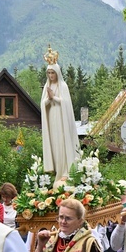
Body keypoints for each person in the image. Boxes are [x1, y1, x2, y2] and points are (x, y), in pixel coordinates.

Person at [41, 47, 80, 179]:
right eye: (49, 73)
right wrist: (48, 100)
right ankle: (57, 170)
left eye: (53, 73)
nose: (51, 75)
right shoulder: (47, 87)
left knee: (62, 143)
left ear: (57, 73)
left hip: (62, 119)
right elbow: (43, 104)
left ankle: (65, 171)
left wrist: (54, 98)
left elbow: (67, 104)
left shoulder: (63, 86)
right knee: (54, 144)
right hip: (51, 118)